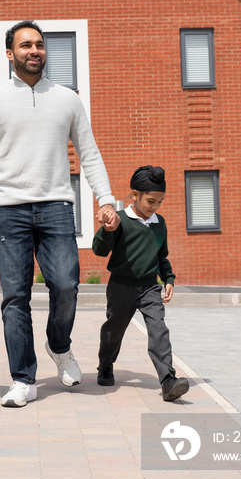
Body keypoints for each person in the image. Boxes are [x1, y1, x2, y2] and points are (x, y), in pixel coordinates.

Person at [0, 20, 117, 408]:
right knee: (15, 297)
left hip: (56, 208)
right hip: (8, 213)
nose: (34, 50)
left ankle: (59, 346)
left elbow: (90, 153)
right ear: (10, 54)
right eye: (25, 45)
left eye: (40, 45)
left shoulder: (67, 99)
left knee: (66, 284)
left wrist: (106, 199)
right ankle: (23, 379)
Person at [92, 165, 189, 402]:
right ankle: (105, 366)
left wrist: (168, 279)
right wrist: (107, 229)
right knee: (114, 331)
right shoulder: (120, 220)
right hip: (120, 287)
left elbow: (161, 256)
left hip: (149, 287)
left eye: (159, 202)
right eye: (150, 201)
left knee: (159, 329)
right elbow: (99, 250)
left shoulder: (159, 223)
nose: (154, 207)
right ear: (134, 195)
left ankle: (168, 381)